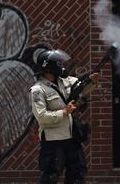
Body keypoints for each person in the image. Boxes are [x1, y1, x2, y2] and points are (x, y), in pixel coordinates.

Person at [30, 49, 99, 184]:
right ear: (48, 68)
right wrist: (64, 112)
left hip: (71, 138)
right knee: (50, 177)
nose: (61, 67)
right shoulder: (38, 90)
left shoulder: (65, 81)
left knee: (77, 175)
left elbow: (81, 87)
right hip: (53, 141)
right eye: (57, 64)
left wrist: (92, 82)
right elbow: (42, 116)